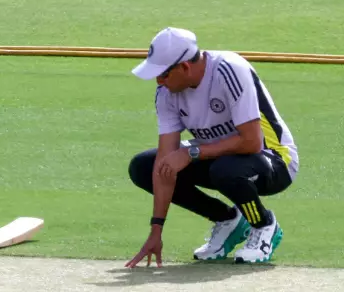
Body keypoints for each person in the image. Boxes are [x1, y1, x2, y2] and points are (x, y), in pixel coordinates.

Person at [124, 27, 298, 267]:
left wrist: (192, 152)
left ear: (184, 67)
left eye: (163, 74)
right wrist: (156, 230)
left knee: (225, 170)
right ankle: (228, 220)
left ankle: (263, 224)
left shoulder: (229, 70)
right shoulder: (166, 93)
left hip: (274, 160)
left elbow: (252, 142)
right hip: (221, 158)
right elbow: (165, 163)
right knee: (145, 166)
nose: (158, 81)